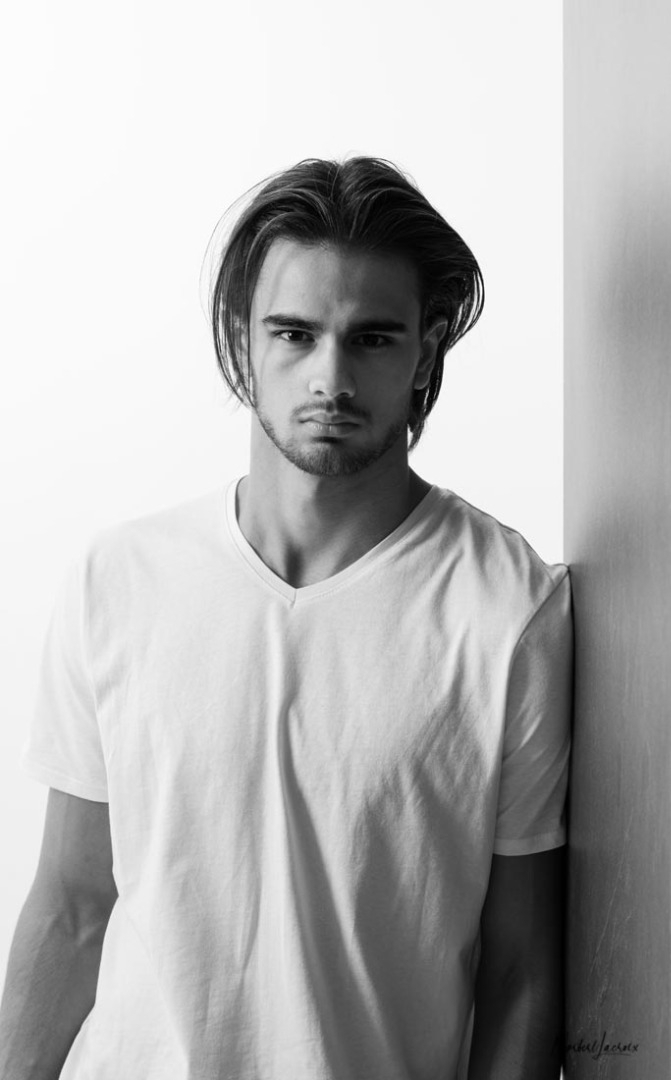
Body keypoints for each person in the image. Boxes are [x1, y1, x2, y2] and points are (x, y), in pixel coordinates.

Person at [0, 156, 572, 1080]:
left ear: (425, 350)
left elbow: (522, 970)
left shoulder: (509, 609)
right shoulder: (118, 582)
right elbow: (69, 908)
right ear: (243, 341)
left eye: (372, 338)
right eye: (295, 334)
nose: (330, 377)